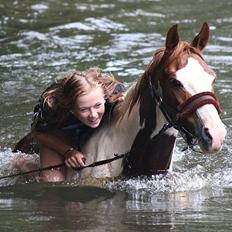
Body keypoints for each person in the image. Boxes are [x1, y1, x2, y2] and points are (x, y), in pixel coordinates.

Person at [13, 68, 126, 182]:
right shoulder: (53, 108)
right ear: (71, 108)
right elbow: (37, 133)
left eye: (97, 105)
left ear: (104, 98)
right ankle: (21, 162)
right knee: (53, 182)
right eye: (84, 109)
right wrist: (67, 151)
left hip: (89, 122)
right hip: (60, 129)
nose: (93, 115)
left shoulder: (114, 93)